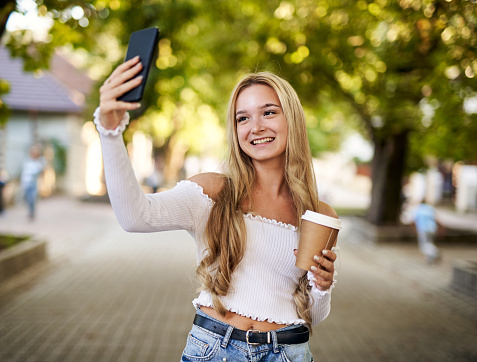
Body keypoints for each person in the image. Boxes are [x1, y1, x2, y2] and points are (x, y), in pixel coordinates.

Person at [95, 56, 339, 361]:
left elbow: (313, 315)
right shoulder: (213, 192)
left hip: (289, 352)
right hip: (216, 351)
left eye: (269, 112)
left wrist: (322, 285)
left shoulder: (319, 214)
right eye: (243, 118)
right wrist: (110, 131)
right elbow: (135, 217)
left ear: (292, 118)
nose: (256, 127)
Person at [20, 145, 46, 221]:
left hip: (34, 183)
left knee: (32, 198)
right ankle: (30, 211)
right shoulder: (27, 160)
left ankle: (32, 212)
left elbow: (41, 171)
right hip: (26, 181)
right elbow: (24, 171)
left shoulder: (40, 161)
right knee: (27, 198)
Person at [413, 200, 441, 264]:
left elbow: (414, 220)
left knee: (424, 245)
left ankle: (434, 251)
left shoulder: (418, 209)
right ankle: (429, 258)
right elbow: (436, 219)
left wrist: (415, 229)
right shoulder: (430, 208)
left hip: (423, 229)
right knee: (430, 242)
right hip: (432, 228)